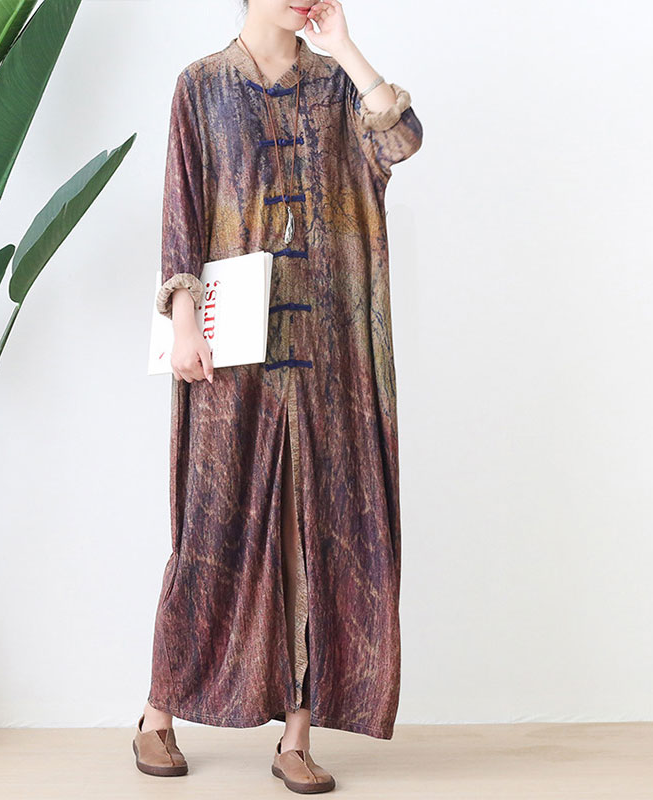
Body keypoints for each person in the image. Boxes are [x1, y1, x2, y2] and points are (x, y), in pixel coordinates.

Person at [132, 0, 423, 792]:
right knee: (211, 531)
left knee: (318, 538)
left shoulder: (336, 88)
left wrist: (348, 49)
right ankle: (158, 712)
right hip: (232, 360)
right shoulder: (201, 86)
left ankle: (297, 735)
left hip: (329, 359)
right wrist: (183, 320)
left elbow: (400, 141)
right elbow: (183, 210)